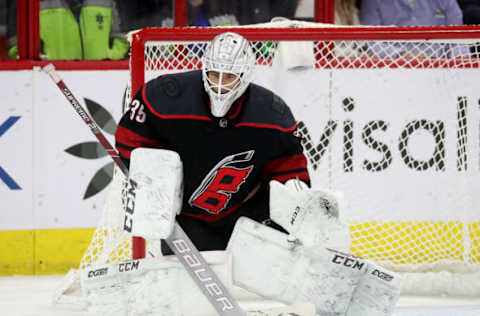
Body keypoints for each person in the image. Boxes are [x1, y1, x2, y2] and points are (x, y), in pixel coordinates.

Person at [115, 32, 311, 254]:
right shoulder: (166, 97)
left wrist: (294, 189)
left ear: (245, 75)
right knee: (187, 284)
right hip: (186, 220)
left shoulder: (272, 115)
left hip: (247, 214)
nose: (219, 85)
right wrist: (153, 181)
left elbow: (287, 163)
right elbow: (130, 137)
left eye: (229, 77)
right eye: (214, 74)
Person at [7, 0, 128, 60]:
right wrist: (40, 62)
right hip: (50, 80)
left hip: (105, 76)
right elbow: (16, 41)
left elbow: (124, 31)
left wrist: (113, 56)